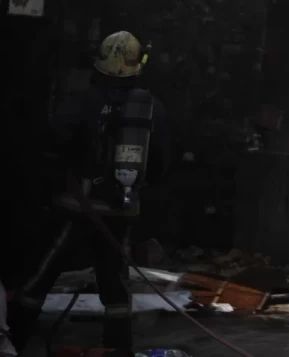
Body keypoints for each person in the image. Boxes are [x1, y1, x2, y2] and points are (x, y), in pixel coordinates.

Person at [6, 31, 169, 357]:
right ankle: (118, 350)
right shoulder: (153, 108)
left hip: (75, 208)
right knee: (116, 287)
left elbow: (52, 143)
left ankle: (12, 343)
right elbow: (160, 164)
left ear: (100, 63)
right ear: (138, 66)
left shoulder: (82, 101)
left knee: (40, 277)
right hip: (122, 211)